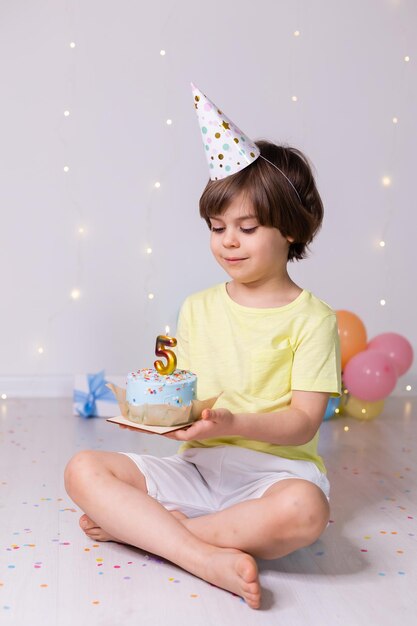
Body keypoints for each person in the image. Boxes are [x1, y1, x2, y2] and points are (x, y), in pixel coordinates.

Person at [64, 138, 341, 610]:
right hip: (198, 469)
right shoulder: (197, 307)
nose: (228, 240)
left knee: (306, 511)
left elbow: (303, 422)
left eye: (247, 227)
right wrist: (161, 413)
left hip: (274, 476)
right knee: (83, 469)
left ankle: (153, 535)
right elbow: (186, 391)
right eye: (217, 227)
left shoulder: (314, 319)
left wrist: (234, 423)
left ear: (291, 229)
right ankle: (201, 555)